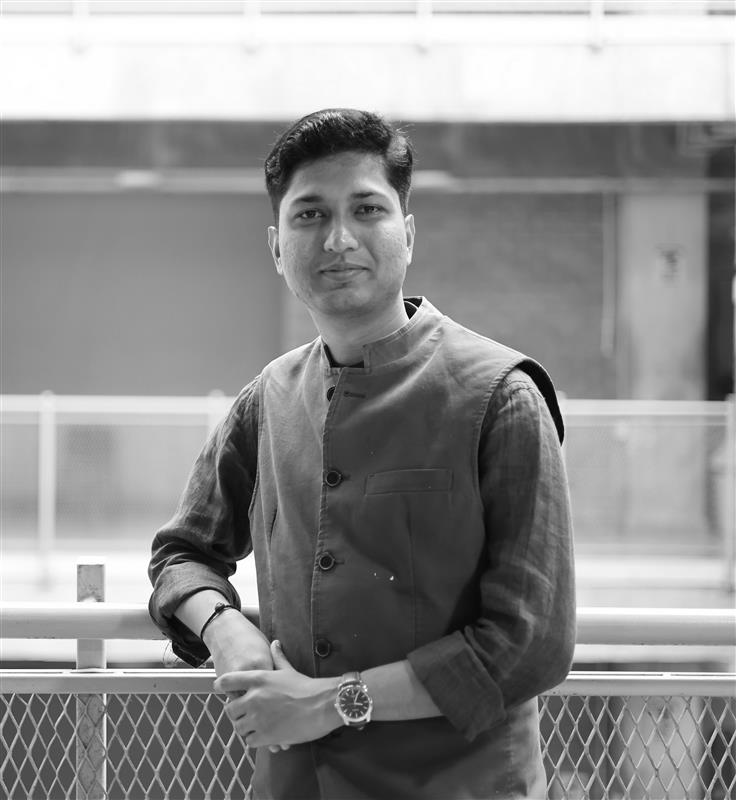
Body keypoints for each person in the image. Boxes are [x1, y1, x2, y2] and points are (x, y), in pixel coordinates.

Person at [148, 108, 576, 800]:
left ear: (407, 232)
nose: (338, 238)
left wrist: (330, 702)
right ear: (277, 246)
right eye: (310, 214)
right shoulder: (269, 397)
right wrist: (224, 628)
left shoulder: (501, 397)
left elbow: (530, 643)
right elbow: (181, 554)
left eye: (367, 209)